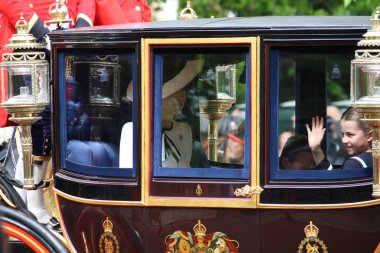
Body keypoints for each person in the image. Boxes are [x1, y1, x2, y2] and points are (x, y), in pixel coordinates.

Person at [306, 106, 373, 170]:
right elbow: (333, 177)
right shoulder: (375, 159)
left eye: (350, 135)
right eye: (342, 134)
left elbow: (333, 180)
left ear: (370, 135)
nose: (344, 140)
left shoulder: (354, 164)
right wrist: (316, 148)